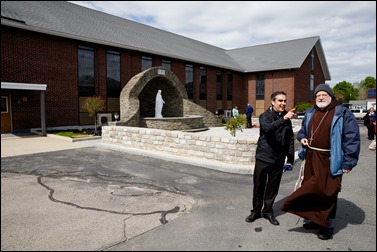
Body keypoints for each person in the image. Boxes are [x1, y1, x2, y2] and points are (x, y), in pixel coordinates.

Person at [280, 84, 360, 240]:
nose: (321, 97)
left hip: (331, 159)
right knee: (312, 191)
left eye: (324, 94)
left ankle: (327, 225)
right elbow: (303, 130)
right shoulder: (311, 112)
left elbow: (352, 139)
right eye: (318, 95)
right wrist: (302, 137)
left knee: (328, 193)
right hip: (311, 157)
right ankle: (315, 219)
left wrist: (348, 162)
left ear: (330, 97)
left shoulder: (342, 113)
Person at [245, 91, 296, 226]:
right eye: (280, 101)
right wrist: (283, 119)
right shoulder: (265, 116)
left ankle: (267, 211)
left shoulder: (286, 118)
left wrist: (290, 158)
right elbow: (267, 129)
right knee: (259, 186)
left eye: (285, 101)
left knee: (272, 188)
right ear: (272, 102)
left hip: (278, 159)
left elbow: (290, 138)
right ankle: (255, 211)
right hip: (263, 157)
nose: (283, 103)